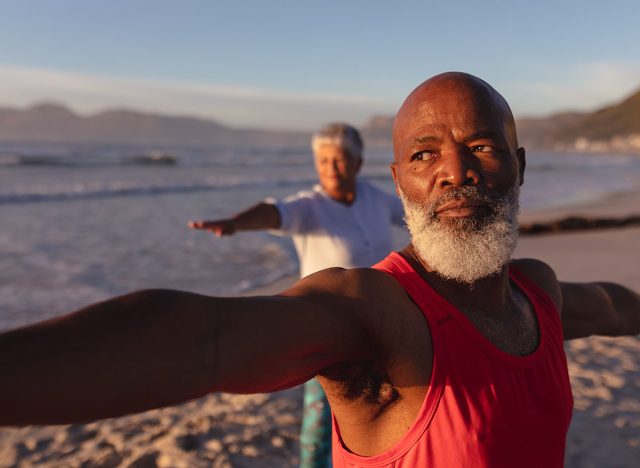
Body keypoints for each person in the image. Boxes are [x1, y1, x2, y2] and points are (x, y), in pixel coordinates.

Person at [1, 72, 638, 468]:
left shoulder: (537, 291)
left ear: (518, 166)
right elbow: (207, 337)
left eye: (481, 147)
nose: (455, 171)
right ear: (401, 180)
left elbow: (614, 307)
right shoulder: (376, 310)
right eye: (425, 154)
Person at [188, 122, 405, 467]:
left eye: (339, 159)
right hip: (326, 331)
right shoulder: (309, 207)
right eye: (323, 161)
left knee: (384, 413)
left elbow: (414, 216)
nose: (331, 168)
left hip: (380, 324)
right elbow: (274, 211)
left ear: (358, 162)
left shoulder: (376, 199)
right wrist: (236, 223)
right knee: (319, 423)